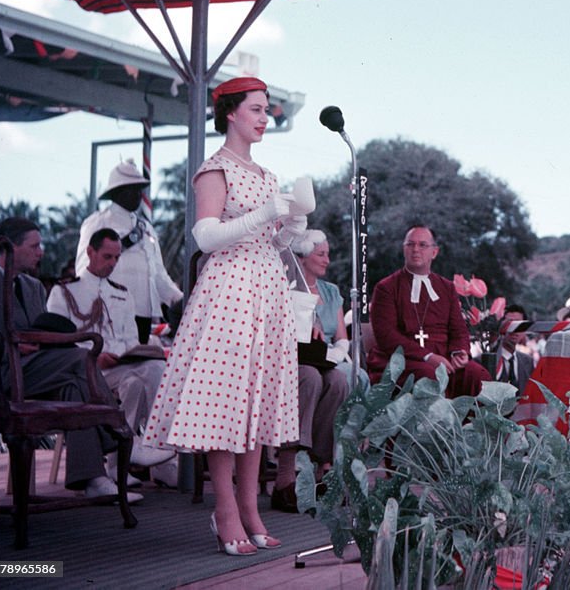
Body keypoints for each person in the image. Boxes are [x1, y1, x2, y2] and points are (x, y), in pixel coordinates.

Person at [143, 76, 303, 556]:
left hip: (267, 288)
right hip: (230, 289)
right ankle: (226, 510)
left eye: (267, 110)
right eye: (256, 109)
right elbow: (206, 238)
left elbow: (268, 240)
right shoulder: (214, 170)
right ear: (230, 113)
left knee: (257, 400)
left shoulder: (267, 175)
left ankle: (251, 507)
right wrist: (261, 217)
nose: (264, 118)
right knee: (226, 402)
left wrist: (289, 227)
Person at [0, 217, 141, 503]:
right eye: (34, 246)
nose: (41, 252)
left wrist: (38, 340)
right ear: (9, 248)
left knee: (74, 388)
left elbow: (43, 330)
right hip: (0, 372)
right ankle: (120, 436)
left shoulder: (33, 287)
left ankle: (93, 479)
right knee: (82, 358)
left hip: (34, 371)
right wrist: (14, 344)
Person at [48, 227, 174, 476]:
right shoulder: (64, 292)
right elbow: (57, 341)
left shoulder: (122, 293)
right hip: (86, 372)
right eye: (107, 257)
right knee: (148, 373)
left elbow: (128, 339)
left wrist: (131, 353)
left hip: (120, 368)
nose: (113, 263)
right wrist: (93, 356)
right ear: (90, 252)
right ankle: (160, 452)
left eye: (117, 258)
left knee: (142, 377)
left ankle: (125, 463)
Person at [271, 229, 351, 514]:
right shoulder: (285, 285)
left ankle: (323, 468)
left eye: (328, 253)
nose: (327, 260)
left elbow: (341, 337)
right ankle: (286, 476)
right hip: (290, 357)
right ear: (303, 257)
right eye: (321, 254)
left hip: (323, 356)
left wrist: (337, 353)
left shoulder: (330, 291)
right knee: (309, 378)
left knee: (339, 380)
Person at [368, 226, 490, 395]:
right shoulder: (386, 287)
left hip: (444, 358)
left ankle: (475, 423)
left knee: (477, 374)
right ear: (404, 249)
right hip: (404, 359)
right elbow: (386, 336)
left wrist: (459, 352)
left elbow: (459, 330)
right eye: (410, 244)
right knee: (429, 377)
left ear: (434, 252)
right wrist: (427, 356)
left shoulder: (446, 287)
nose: (416, 249)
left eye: (423, 245)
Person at [77, 158, 183, 344]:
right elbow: (83, 270)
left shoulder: (147, 228)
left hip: (143, 314)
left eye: (139, 189)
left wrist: (179, 299)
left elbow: (158, 275)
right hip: (109, 312)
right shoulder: (97, 222)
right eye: (131, 189)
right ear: (117, 193)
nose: (138, 195)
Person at [493, 304, 534, 396]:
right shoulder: (488, 360)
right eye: (510, 323)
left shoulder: (528, 361)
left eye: (519, 324)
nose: (514, 329)